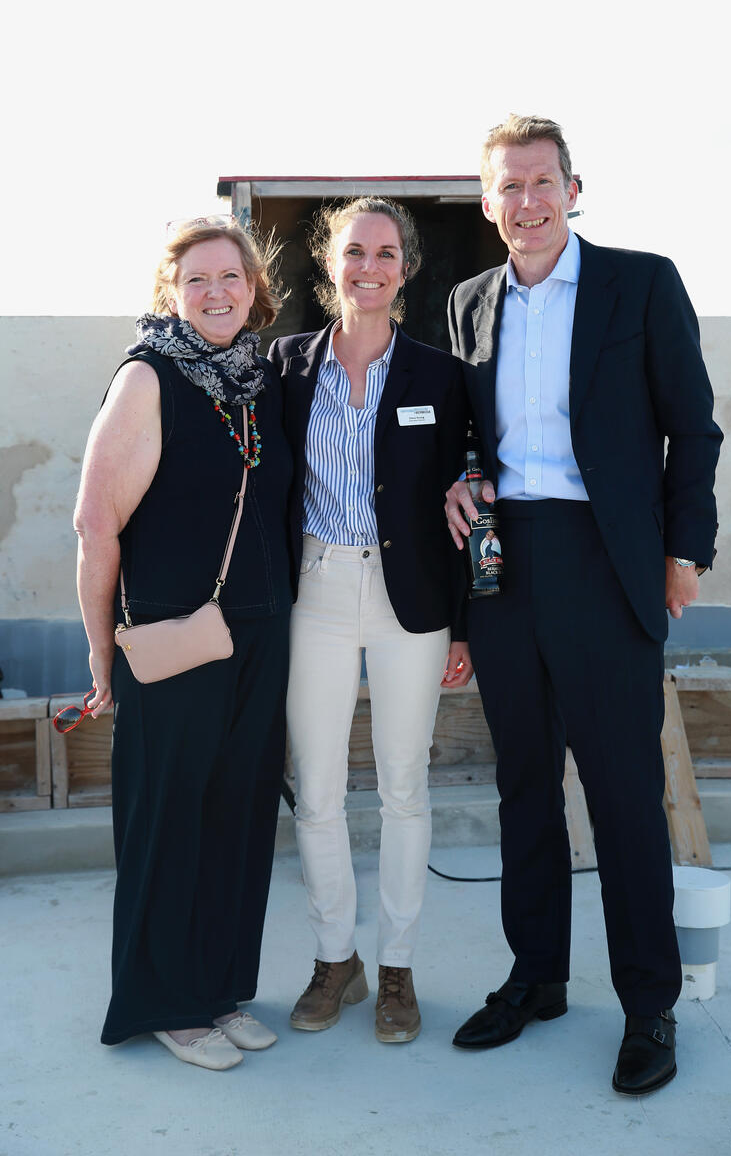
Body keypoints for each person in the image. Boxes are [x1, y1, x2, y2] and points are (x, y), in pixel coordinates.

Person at [444, 115, 722, 1094]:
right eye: (507, 186)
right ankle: (537, 976)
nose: (526, 201)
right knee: (523, 782)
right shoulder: (468, 302)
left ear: (572, 188)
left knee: (621, 793)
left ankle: (648, 1005)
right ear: (487, 202)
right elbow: (467, 434)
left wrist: (683, 551)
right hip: (504, 568)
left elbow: (692, 428)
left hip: (606, 562)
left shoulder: (640, 284)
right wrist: (460, 479)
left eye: (541, 181)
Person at [73, 216, 293, 1070]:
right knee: (170, 821)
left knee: (238, 817)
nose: (215, 292)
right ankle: (166, 1003)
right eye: (196, 278)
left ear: (254, 287)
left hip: (257, 634)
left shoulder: (258, 381)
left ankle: (219, 990)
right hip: (172, 638)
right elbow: (95, 524)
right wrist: (101, 650)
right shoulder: (149, 376)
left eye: (230, 276)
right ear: (171, 293)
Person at [269, 197, 472, 1043]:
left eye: (386, 253)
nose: (370, 267)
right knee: (316, 788)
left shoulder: (440, 375)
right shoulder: (285, 365)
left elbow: (466, 492)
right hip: (315, 589)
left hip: (409, 599)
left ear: (407, 268)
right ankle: (334, 961)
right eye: (355, 251)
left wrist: (463, 625)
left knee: (403, 786)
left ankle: (397, 968)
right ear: (330, 263)